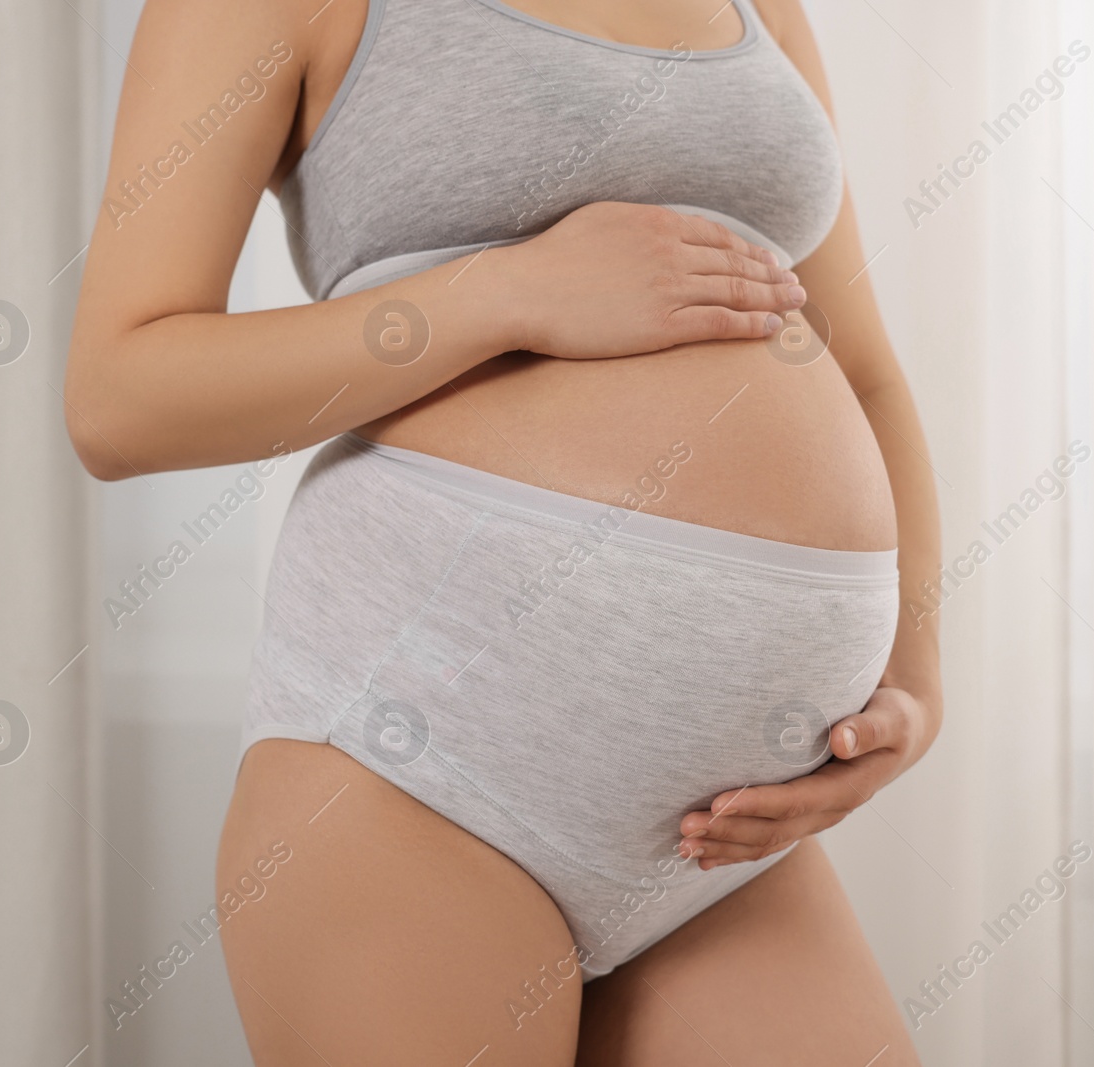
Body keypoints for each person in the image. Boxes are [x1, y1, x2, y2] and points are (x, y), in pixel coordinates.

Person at [64, 0, 942, 1061]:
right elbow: (120, 396)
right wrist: (509, 292)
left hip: (727, 834)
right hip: (426, 761)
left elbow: (867, 369)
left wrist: (915, 674)